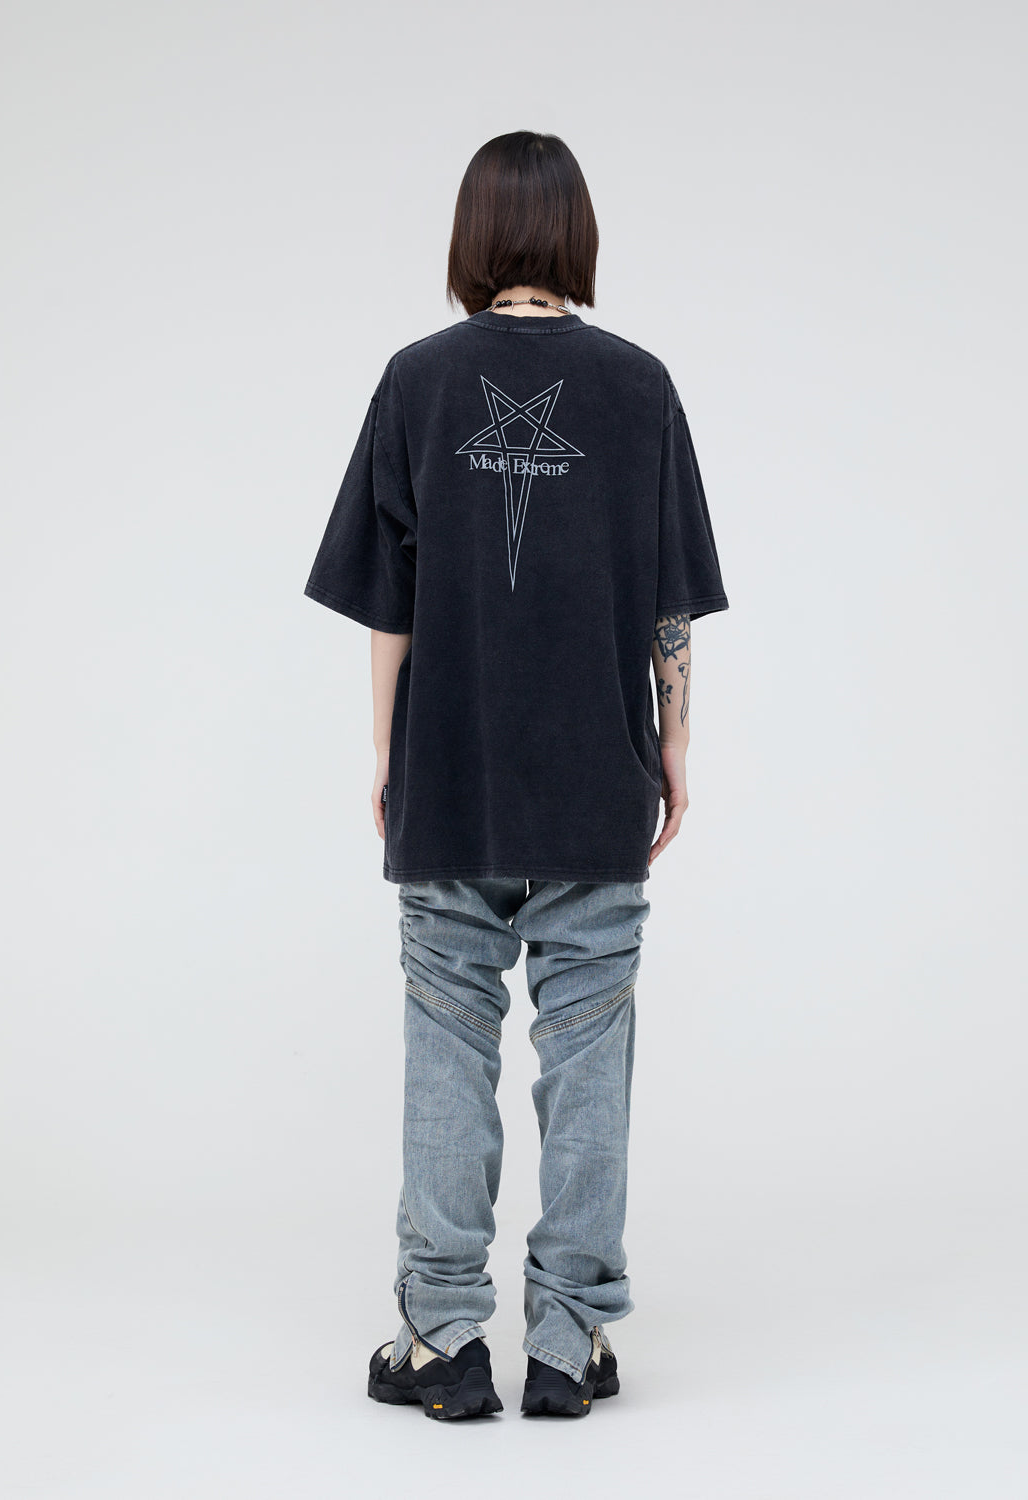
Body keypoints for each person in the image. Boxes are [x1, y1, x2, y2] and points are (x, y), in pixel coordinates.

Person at [303, 130, 729, 1420]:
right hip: (598, 779)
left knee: (447, 1054)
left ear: (472, 239)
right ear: (577, 238)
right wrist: (674, 742)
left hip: (454, 777)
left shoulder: (417, 381)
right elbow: (669, 603)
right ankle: (566, 1341)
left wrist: (391, 754)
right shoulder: (639, 387)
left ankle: (442, 1338)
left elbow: (392, 605)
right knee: (589, 1062)